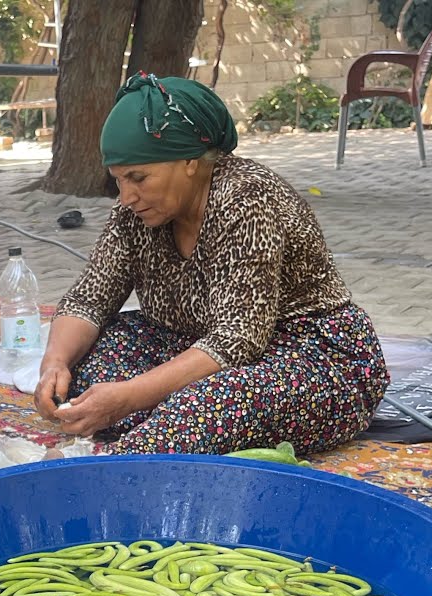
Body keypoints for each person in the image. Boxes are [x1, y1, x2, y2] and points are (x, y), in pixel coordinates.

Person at [34, 73, 389, 456]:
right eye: (118, 180)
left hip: (305, 353)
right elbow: (90, 299)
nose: (127, 196)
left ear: (189, 160)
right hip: (195, 344)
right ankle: (171, 421)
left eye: (138, 178)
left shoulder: (247, 201)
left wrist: (128, 397)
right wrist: (55, 363)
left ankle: (129, 457)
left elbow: (236, 341)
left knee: (221, 401)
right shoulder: (133, 213)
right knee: (89, 361)